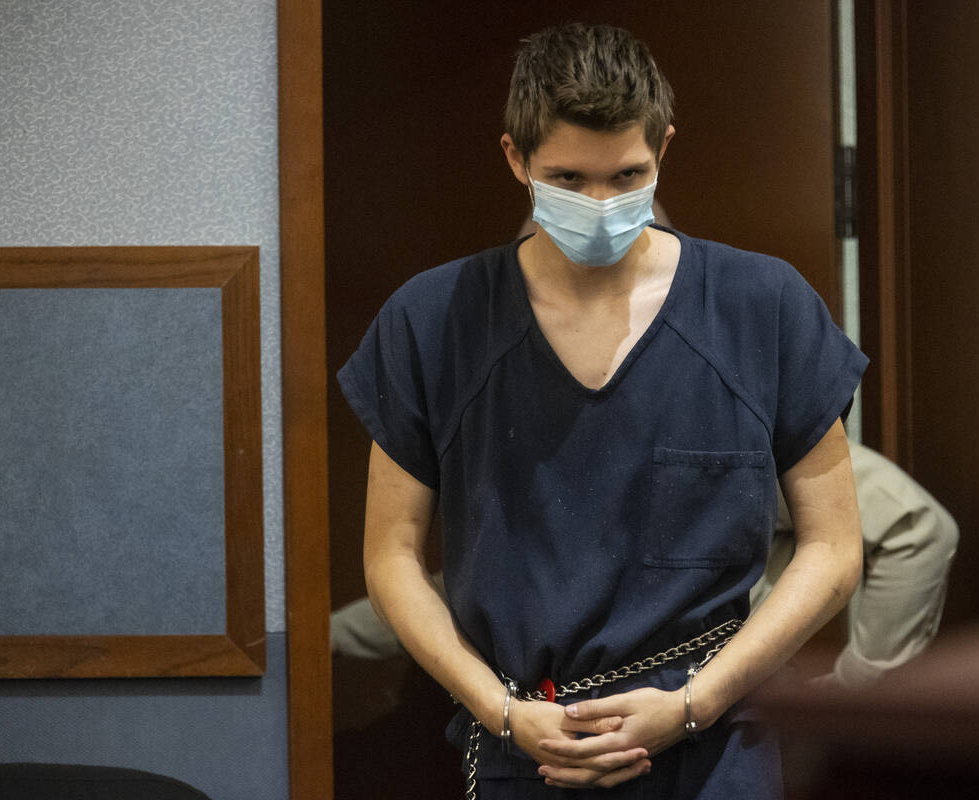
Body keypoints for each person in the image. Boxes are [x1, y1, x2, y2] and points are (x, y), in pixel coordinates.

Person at [336, 22, 868, 799]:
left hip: (715, 742)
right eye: (568, 179)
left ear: (663, 149)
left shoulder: (763, 307)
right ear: (516, 159)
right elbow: (391, 558)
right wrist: (501, 711)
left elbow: (834, 549)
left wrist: (694, 703)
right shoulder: (433, 320)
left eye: (626, 176)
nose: (600, 204)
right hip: (525, 742)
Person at [333, 441, 959, 687]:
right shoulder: (540, 441)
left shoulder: (722, 420)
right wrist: (323, 641)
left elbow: (913, 527)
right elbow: (478, 586)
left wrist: (859, 688)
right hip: (555, 741)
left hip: (726, 726)